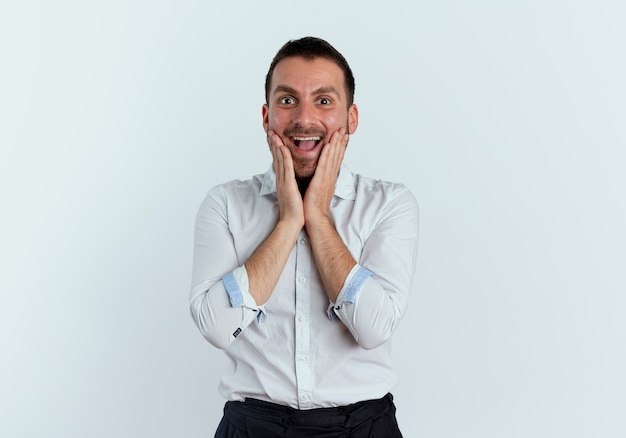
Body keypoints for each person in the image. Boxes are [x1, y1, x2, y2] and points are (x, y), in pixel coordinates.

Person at [189, 36, 419, 437]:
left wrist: (318, 217)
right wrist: (288, 220)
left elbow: (373, 328)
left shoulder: (389, 204)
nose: (304, 118)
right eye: (288, 100)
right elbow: (216, 327)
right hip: (253, 426)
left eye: (325, 101)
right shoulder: (225, 203)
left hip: (363, 427)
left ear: (352, 118)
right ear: (266, 116)